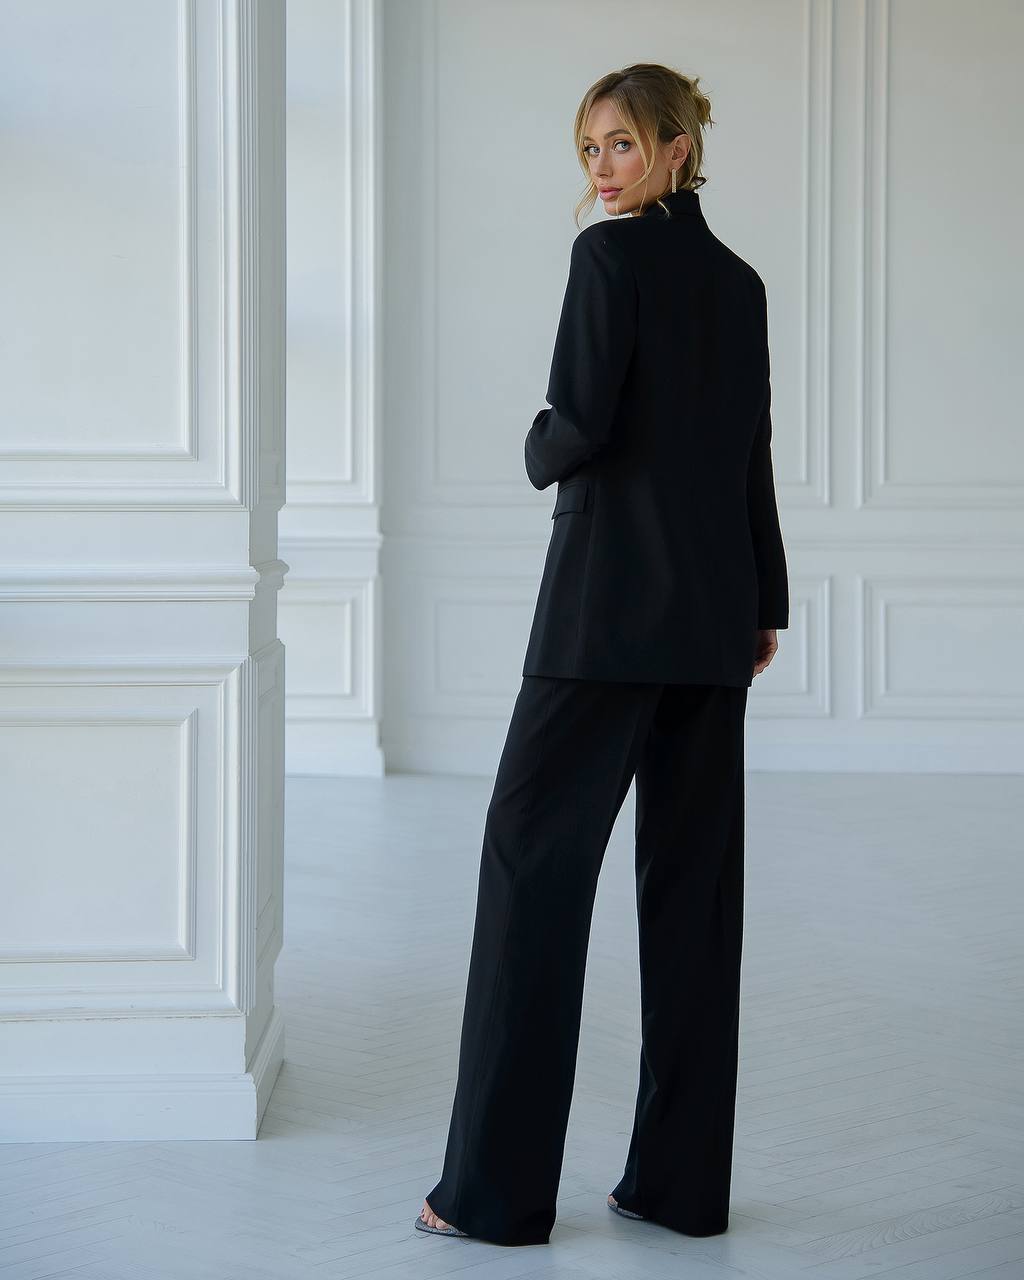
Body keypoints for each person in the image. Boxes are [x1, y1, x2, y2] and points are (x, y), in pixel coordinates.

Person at [416, 62, 788, 1248]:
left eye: (620, 145)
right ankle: (677, 1188)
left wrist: (532, 446)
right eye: (589, 152)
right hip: (712, 622)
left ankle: (489, 1195)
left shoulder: (607, 259)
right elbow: (750, 452)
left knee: (531, 877)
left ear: (675, 147)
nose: (602, 171)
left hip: (598, 620)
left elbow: (576, 420)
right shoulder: (742, 284)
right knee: (693, 899)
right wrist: (764, 601)